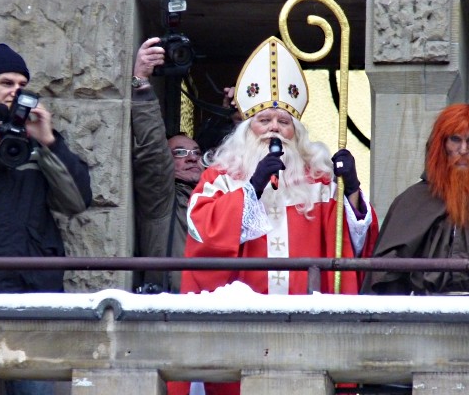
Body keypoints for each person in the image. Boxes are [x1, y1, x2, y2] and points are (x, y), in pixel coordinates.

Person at [168, 36, 379, 395]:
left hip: (308, 332)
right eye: (263, 119)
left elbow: (352, 247)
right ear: (245, 128)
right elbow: (201, 236)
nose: (274, 128)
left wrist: (353, 191)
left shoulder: (320, 180)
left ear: (296, 131)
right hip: (239, 331)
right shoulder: (220, 178)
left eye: (283, 121)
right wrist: (251, 187)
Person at [0, 43, 92, 394]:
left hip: (33, 298)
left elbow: (76, 202)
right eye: (6, 82)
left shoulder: (36, 138)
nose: (15, 91)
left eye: (21, 85)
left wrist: (50, 142)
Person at [362, 103, 469, 296]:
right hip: (424, 312)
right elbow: (386, 272)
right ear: (442, 145)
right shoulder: (413, 200)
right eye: (455, 140)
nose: (463, 150)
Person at [131, 37, 204, 293]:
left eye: (196, 152)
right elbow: (152, 149)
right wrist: (141, 83)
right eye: (180, 152)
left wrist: (239, 118)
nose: (192, 157)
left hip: (217, 303)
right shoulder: (161, 199)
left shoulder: (214, 195)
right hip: (170, 305)